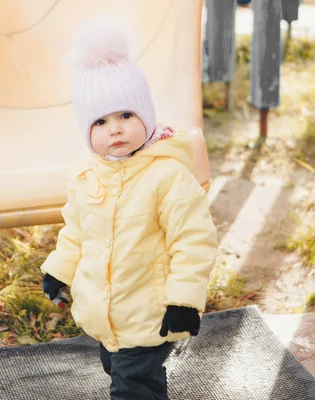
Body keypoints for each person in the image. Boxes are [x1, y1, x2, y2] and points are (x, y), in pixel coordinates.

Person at [40, 17, 219, 400]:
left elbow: (194, 241)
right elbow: (75, 232)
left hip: (150, 312)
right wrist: (59, 271)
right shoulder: (89, 176)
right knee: (130, 375)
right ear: (86, 130)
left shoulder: (167, 175)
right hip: (105, 314)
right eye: (100, 121)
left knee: (131, 386)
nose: (115, 129)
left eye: (125, 115)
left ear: (146, 115)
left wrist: (183, 300)